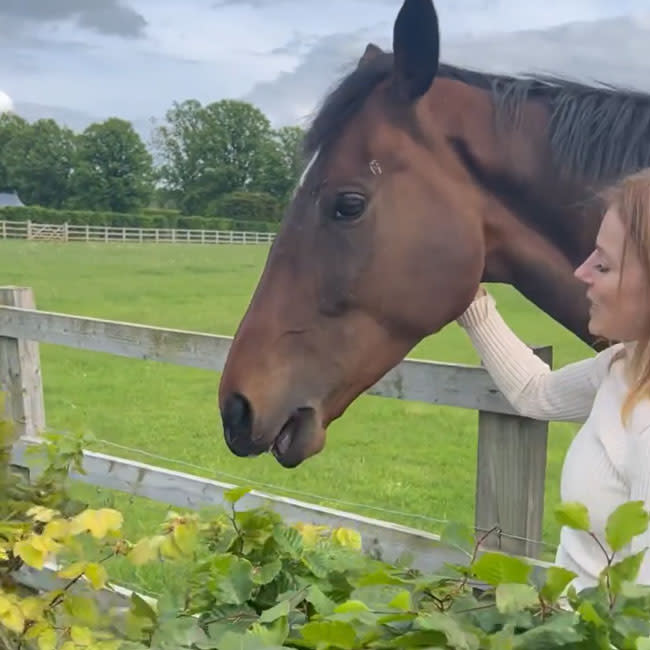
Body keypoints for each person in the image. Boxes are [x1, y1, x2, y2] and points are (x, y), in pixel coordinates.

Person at [457, 168, 650, 592]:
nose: (580, 272)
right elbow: (536, 393)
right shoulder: (622, 366)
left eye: (603, 263)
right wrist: (469, 302)